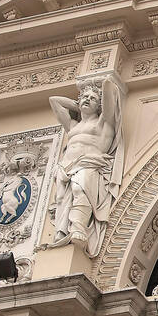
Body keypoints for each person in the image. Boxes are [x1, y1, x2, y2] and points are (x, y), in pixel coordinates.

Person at [47, 75, 123, 256]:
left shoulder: (103, 122)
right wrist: (79, 103)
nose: (88, 100)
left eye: (93, 99)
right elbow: (54, 101)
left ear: (100, 105)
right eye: (85, 97)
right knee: (61, 200)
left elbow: (109, 97)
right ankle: (62, 231)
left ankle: (79, 228)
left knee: (80, 188)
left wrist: (104, 83)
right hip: (66, 166)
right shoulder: (73, 125)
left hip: (89, 164)